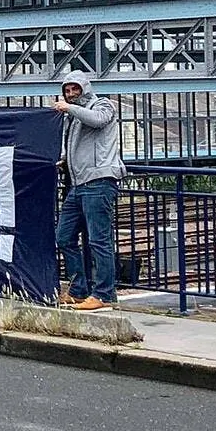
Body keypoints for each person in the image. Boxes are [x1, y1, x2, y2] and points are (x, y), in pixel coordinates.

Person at [53, 71, 127, 311]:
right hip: (77, 184)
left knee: (99, 241)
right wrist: (64, 161)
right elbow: (75, 146)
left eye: (75, 89)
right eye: (67, 90)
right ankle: (78, 290)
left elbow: (97, 120)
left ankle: (104, 294)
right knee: (63, 236)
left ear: (85, 88)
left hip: (99, 181)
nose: (71, 94)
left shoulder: (102, 105)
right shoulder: (71, 117)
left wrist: (68, 108)